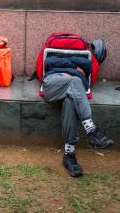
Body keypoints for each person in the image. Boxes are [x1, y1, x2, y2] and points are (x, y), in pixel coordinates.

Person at [42, 39, 113, 177]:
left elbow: (88, 63)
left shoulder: (85, 59)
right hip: (54, 83)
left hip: (75, 91)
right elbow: (48, 62)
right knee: (75, 80)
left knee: (70, 102)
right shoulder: (54, 58)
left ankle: (69, 155)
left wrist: (65, 61)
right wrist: (74, 67)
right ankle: (91, 130)